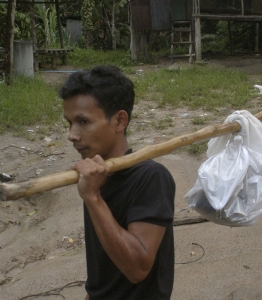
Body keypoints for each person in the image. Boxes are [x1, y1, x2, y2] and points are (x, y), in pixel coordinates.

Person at [59, 65, 176, 299]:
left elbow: (138, 269)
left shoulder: (151, 178)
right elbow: (103, 272)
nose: (72, 134)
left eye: (83, 121)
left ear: (120, 121)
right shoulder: (97, 177)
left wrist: (93, 198)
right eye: (69, 122)